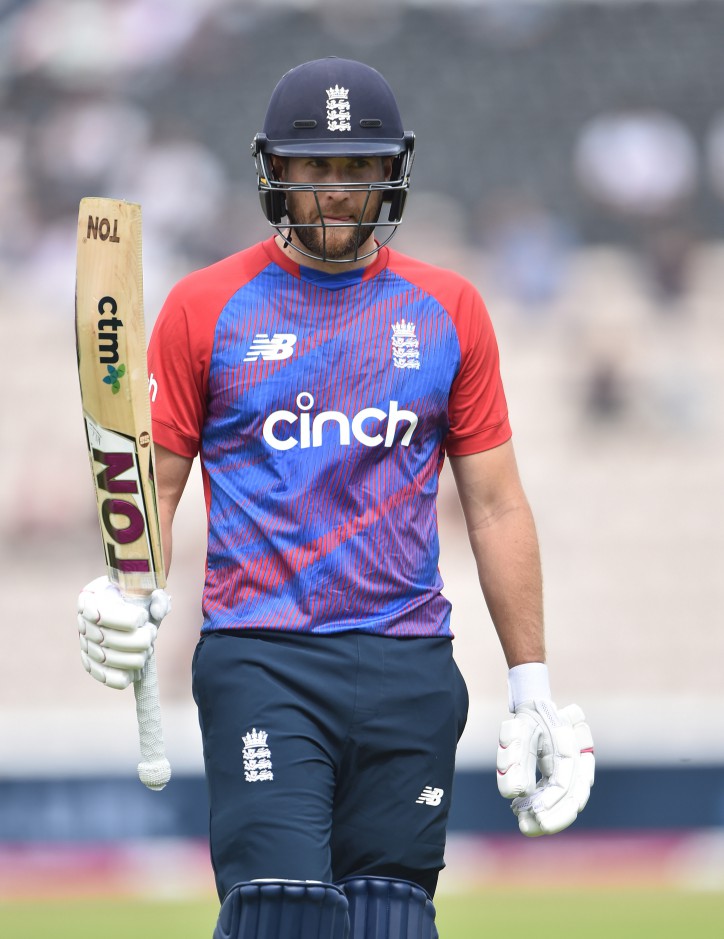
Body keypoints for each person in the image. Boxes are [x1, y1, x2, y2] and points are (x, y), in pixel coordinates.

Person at [77, 57, 594, 939]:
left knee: (392, 918)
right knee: (282, 912)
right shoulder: (206, 307)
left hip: (410, 662)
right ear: (275, 170)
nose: (338, 191)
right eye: (316, 167)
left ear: (391, 170)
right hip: (261, 657)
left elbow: (498, 506)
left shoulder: (448, 308)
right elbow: (153, 481)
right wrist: (127, 589)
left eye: (358, 168)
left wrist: (532, 685)